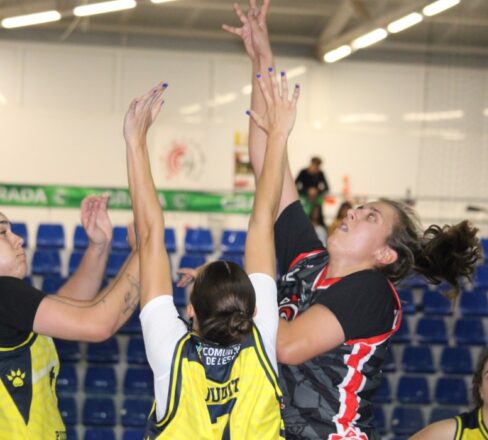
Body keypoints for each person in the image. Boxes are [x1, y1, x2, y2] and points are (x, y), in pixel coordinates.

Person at [223, 2, 482, 439]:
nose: (354, 211)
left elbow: (286, 345)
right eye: (358, 206)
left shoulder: (372, 292)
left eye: (370, 215)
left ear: (384, 252)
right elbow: (267, 162)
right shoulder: (308, 260)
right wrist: (262, 61)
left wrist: (253, 282)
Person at [124, 75, 298, 437]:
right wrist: (279, 134)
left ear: (190, 310)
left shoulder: (171, 353)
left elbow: (150, 235)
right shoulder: (261, 341)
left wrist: (136, 141)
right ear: (252, 310)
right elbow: (263, 223)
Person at [0, 194, 140, 438]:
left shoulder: (11, 302)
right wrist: (145, 248)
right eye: (2, 233)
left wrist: (99, 246)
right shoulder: (4, 293)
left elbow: (78, 305)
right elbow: (99, 323)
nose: (18, 239)